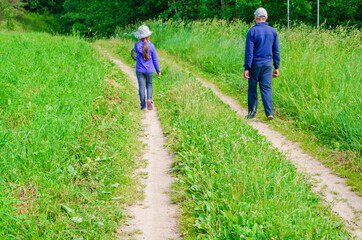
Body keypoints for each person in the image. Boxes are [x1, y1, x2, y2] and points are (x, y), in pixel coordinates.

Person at [243, 7, 280, 120]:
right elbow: (276, 50)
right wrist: (276, 66)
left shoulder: (252, 31)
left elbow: (249, 52)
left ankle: (251, 113)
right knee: (266, 88)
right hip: (268, 64)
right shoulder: (273, 31)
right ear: (266, 18)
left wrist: (247, 68)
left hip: (255, 65)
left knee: (252, 88)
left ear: (255, 18)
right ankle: (269, 113)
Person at [134, 24, 161, 110]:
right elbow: (155, 59)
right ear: (148, 36)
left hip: (139, 70)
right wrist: (158, 70)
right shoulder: (152, 46)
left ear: (139, 36)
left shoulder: (136, 45)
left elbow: (136, 54)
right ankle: (149, 99)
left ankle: (143, 105)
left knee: (141, 87)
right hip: (149, 70)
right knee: (149, 85)